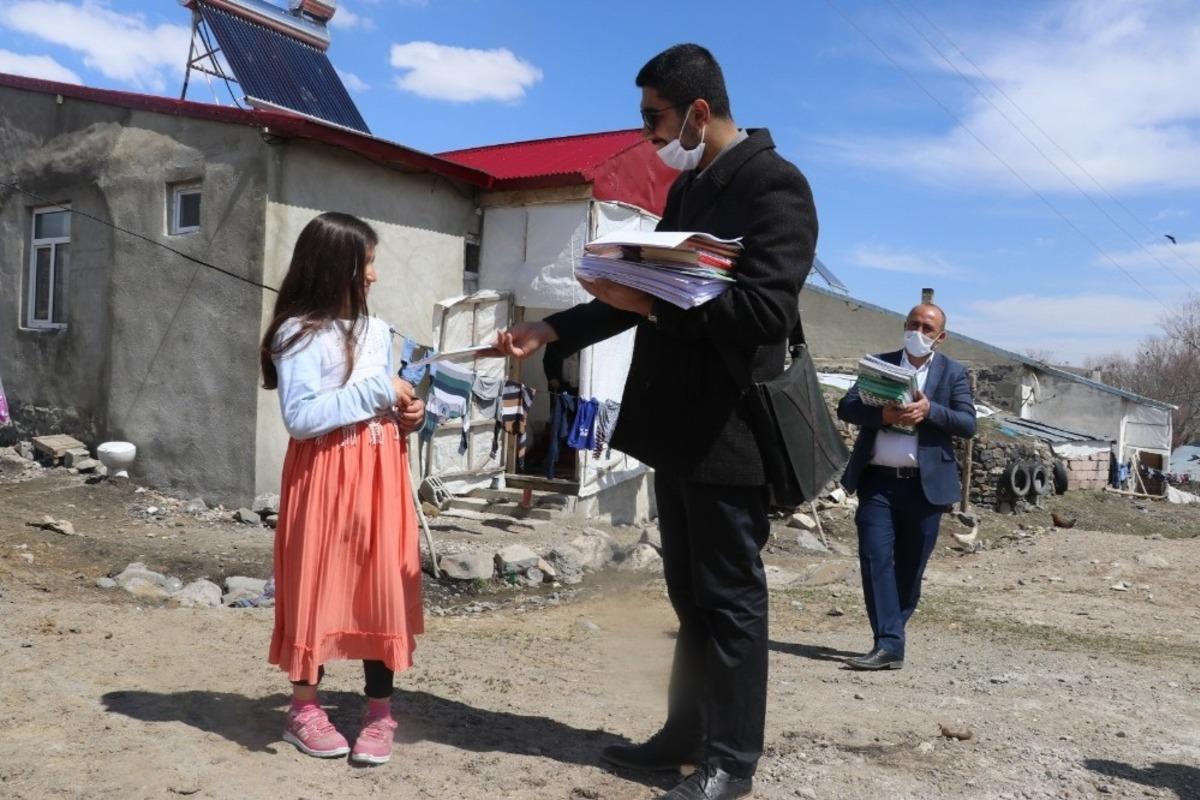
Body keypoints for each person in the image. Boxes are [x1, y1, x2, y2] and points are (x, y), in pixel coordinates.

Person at [494, 44, 817, 800]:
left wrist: (659, 300)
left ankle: (731, 762)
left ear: (698, 112)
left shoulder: (775, 185)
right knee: (687, 593)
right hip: (676, 426)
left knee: (731, 596)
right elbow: (639, 293)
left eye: (655, 119)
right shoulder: (689, 190)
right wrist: (553, 330)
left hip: (730, 431)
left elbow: (768, 310)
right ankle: (684, 732)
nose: (649, 135)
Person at [259, 212, 426, 765]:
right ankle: (303, 707)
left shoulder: (378, 332)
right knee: (318, 586)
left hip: (380, 478)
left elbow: (384, 402)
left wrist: (408, 415)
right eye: (367, 262)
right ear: (336, 268)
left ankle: (380, 713)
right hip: (325, 478)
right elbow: (302, 418)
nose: (375, 275)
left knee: (379, 588)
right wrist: (382, 390)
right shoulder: (295, 333)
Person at [836, 303, 976, 670]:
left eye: (927, 328)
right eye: (913, 324)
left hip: (925, 489)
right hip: (878, 482)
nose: (918, 332)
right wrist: (881, 415)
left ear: (940, 337)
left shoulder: (953, 374)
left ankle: (891, 631)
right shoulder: (879, 364)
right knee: (874, 557)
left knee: (910, 569)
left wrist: (930, 411)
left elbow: (967, 423)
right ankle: (889, 645)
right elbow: (846, 407)